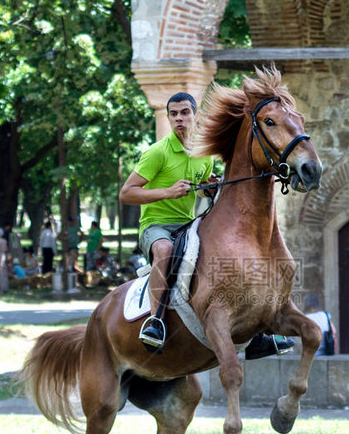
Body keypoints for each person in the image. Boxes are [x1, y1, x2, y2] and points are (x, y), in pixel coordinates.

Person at [119, 91, 293, 358]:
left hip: (188, 225)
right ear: (168, 118)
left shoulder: (203, 154)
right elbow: (127, 193)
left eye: (185, 113)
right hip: (157, 227)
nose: (179, 119)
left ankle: (257, 335)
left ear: (195, 115)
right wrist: (168, 191)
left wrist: (208, 189)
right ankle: (155, 322)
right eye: (174, 114)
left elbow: (197, 189)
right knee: (165, 250)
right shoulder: (157, 153)